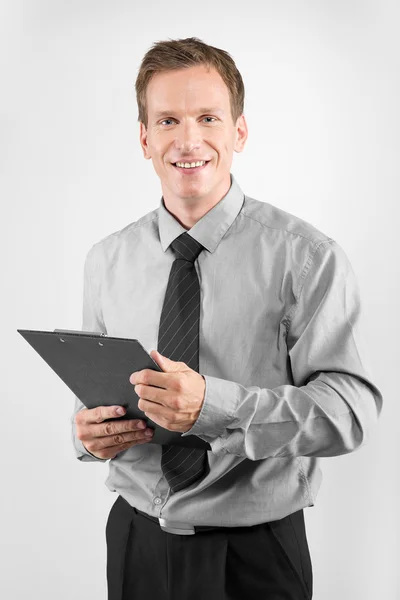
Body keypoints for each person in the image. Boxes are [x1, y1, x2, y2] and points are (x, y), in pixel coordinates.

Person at [71, 37, 383, 600]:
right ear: (145, 138)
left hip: (256, 557)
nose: (188, 139)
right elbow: (93, 390)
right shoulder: (106, 259)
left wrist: (214, 408)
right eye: (167, 120)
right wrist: (90, 434)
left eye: (207, 117)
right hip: (134, 545)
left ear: (238, 132)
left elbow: (350, 413)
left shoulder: (307, 258)